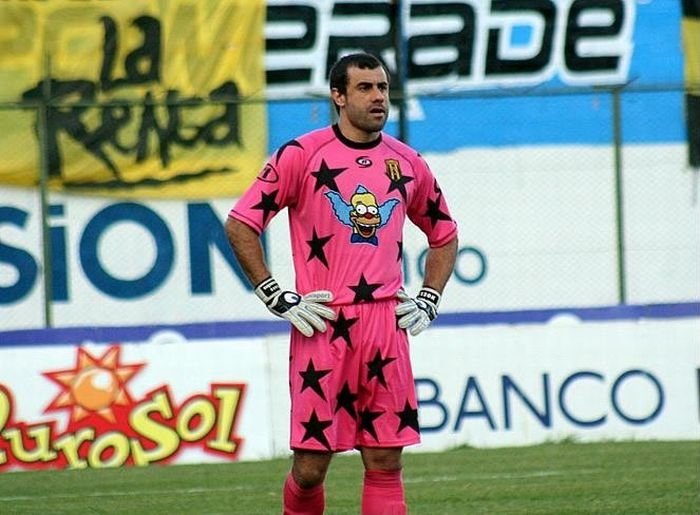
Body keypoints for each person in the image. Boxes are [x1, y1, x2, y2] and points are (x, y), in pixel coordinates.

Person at [225, 52, 458, 515]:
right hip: (323, 324)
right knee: (311, 467)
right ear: (338, 95)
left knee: (385, 458)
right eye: (365, 88)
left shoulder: (408, 163)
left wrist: (429, 297)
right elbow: (240, 223)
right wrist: (275, 294)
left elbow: (444, 235)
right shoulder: (301, 155)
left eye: (383, 88)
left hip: (385, 326)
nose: (378, 98)